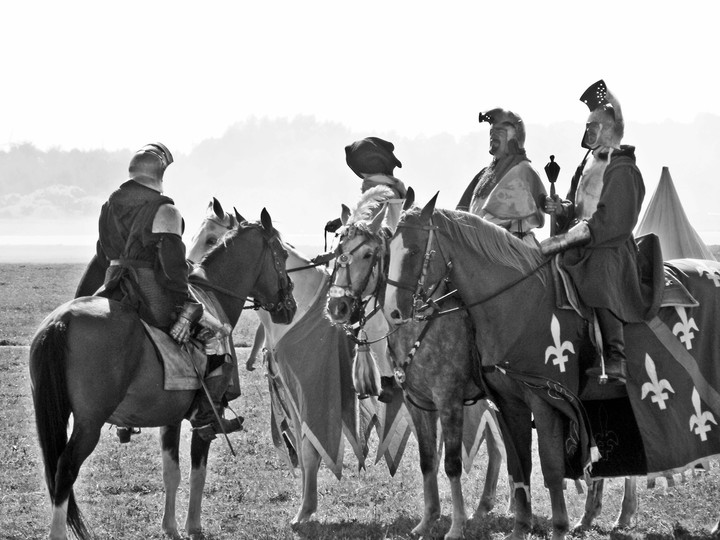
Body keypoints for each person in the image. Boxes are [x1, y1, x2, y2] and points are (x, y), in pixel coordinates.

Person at [90, 142, 241, 441]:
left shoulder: (108, 206)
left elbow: (103, 252)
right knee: (216, 336)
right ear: (159, 173)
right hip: (150, 292)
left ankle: (123, 416)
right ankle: (206, 416)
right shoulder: (165, 210)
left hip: (113, 286)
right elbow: (172, 273)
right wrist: (190, 306)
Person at [540, 80, 646, 384]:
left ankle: (616, 357)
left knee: (598, 273)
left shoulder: (622, 167)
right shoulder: (587, 161)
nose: (588, 131)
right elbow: (578, 207)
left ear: (609, 128)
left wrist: (563, 238)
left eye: (594, 125)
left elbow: (612, 220)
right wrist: (560, 209)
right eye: (587, 126)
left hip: (609, 246)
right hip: (582, 240)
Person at [457, 108, 547, 246]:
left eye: (499, 132)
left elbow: (541, 205)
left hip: (515, 245)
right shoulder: (484, 174)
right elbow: (462, 213)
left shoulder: (525, 170)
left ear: (515, 137)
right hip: (478, 244)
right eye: (491, 132)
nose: (493, 136)